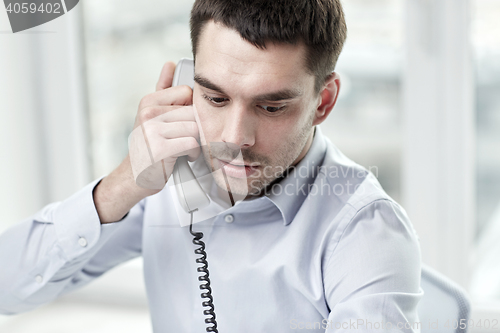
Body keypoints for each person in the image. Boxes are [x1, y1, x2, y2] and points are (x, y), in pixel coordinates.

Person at [0, 0, 423, 332]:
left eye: (272, 106)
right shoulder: (170, 180)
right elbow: (7, 288)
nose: (234, 137)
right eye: (215, 99)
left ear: (323, 102)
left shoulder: (366, 232)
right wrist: (125, 183)